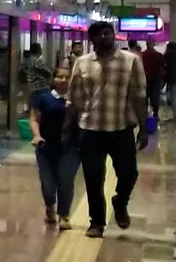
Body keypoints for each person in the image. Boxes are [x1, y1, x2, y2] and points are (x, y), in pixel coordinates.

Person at [67, 20, 148, 238]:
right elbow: (73, 97)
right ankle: (97, 222)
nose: (105, 37)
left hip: (121, 128)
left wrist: (143, 127)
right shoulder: (82, 63)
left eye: (108, 33)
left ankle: (120, 202)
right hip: (90, 129)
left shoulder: (131, 61)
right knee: (93, 178)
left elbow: (139, 96)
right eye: (99, 34)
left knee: (129, 173)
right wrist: (68, 128)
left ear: (113, 35)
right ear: (91, 39)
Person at [28, 64, 77, 229]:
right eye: (59, 77)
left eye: (67, 77)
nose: (63, 80)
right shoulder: (43, 98)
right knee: (48, 184)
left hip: (70, 148)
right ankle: (50, 207)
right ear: (53, 79)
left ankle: (64, 215)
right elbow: (34, 118)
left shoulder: (77, 98)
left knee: (65, 180)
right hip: (46, 147)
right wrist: (37, 135)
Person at [142, 40, 165, 118]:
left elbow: (162, 69)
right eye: (148, 43)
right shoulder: (143, 55)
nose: (149, 44)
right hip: (145, 79)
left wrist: (162, 80)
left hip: (156, 80)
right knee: (145, 98)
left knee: (154, 98)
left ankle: (155, 113)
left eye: (150, 43)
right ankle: (145, 114)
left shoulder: (158, 55)